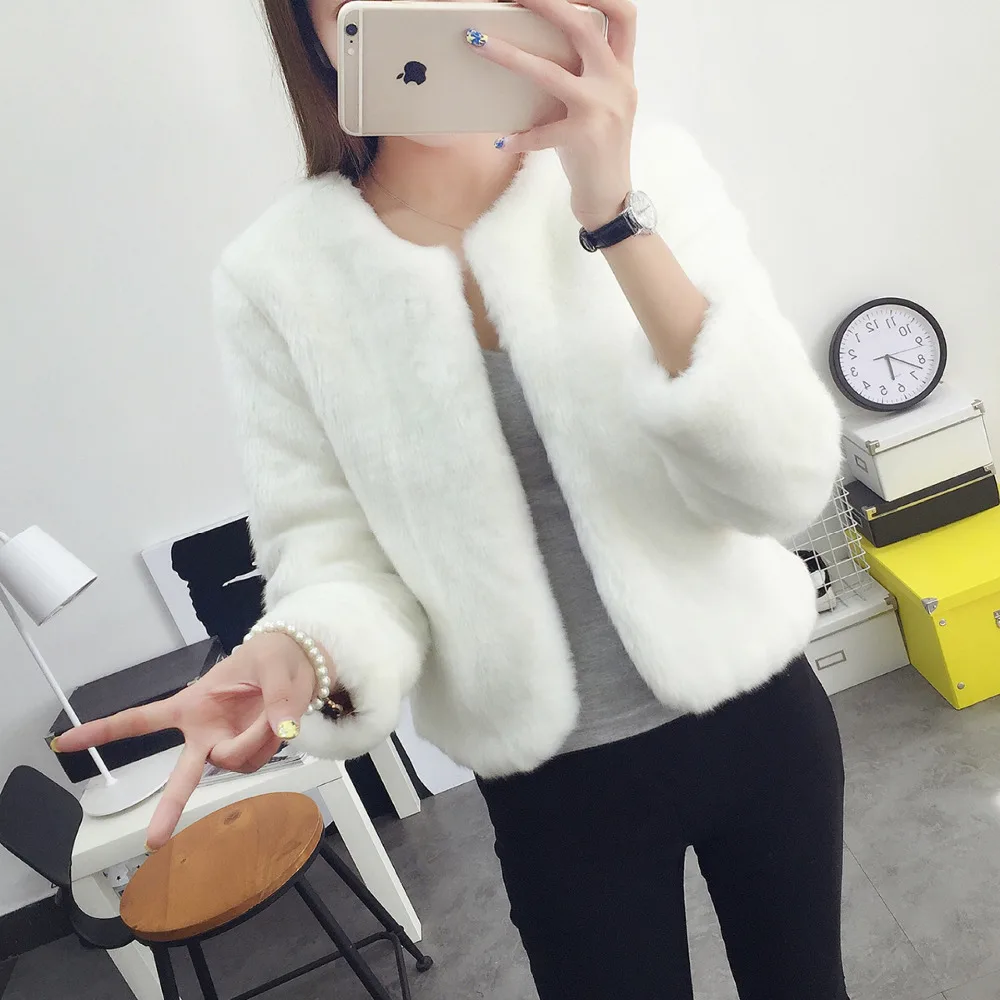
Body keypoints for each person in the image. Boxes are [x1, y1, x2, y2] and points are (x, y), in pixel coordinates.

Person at [56, 1, 849, 996]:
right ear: (308, 27)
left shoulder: (656, 168)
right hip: (552, 784)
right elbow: (330, 553)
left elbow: (780, 480)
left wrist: (612, 210)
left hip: (759, 715)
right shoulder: (278, 276)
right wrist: (303, 652)